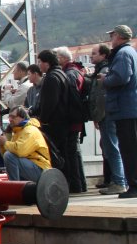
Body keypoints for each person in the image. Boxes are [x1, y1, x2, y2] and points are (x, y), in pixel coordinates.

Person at [101, 25, 137, 199]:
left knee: (129, 149)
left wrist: (105, 79)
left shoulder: (122, 54)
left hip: (125, 108)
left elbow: (122, 77)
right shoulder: (130, 52)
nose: (111, 38)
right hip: (129, 107)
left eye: (113, 35)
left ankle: (134, 185)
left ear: (120, 36)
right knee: (130, 147)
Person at [91, 43, 126, 194]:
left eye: (94, 53)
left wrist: (98, 115)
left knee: (112, 148)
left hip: (107, 115)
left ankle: (119, 181)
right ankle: (115, 180)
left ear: (103, 55)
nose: (92, 56)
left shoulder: (104, 71)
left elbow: (101, 97)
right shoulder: (103, 70)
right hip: (107, 114)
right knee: (109, 147)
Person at [53, 46, 87, 193]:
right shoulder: (75, 71)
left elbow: (71, 98)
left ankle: (75, 185)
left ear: (62, 58)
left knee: (70, 153)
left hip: (71, 120)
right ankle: (80, 184)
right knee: (74, 153)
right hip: (75, 119)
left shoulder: (70, 74)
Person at [35, 50, 72, 182]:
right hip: (63, 120)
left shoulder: (51, 77)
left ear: (47, 63)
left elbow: (50, 102)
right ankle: (67, 182)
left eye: (40, 62)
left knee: (56, 154)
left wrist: (43, 119)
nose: (39, 65)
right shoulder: (61, 74)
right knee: (64, 153)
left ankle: (60, 181)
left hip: (54, 122)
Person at [0, 106, 51, 182]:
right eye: (9, 117)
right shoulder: (18, 131)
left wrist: (5, 142)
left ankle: (14, 187)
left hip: (41, 169)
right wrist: (2, 144)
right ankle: (18, 187)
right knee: (8, 156)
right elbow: (7, 156)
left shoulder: (30, 130)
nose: (10, 119)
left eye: (13, 117)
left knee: (9, 156)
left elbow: (20, 151)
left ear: (22, 118)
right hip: (32, 166)